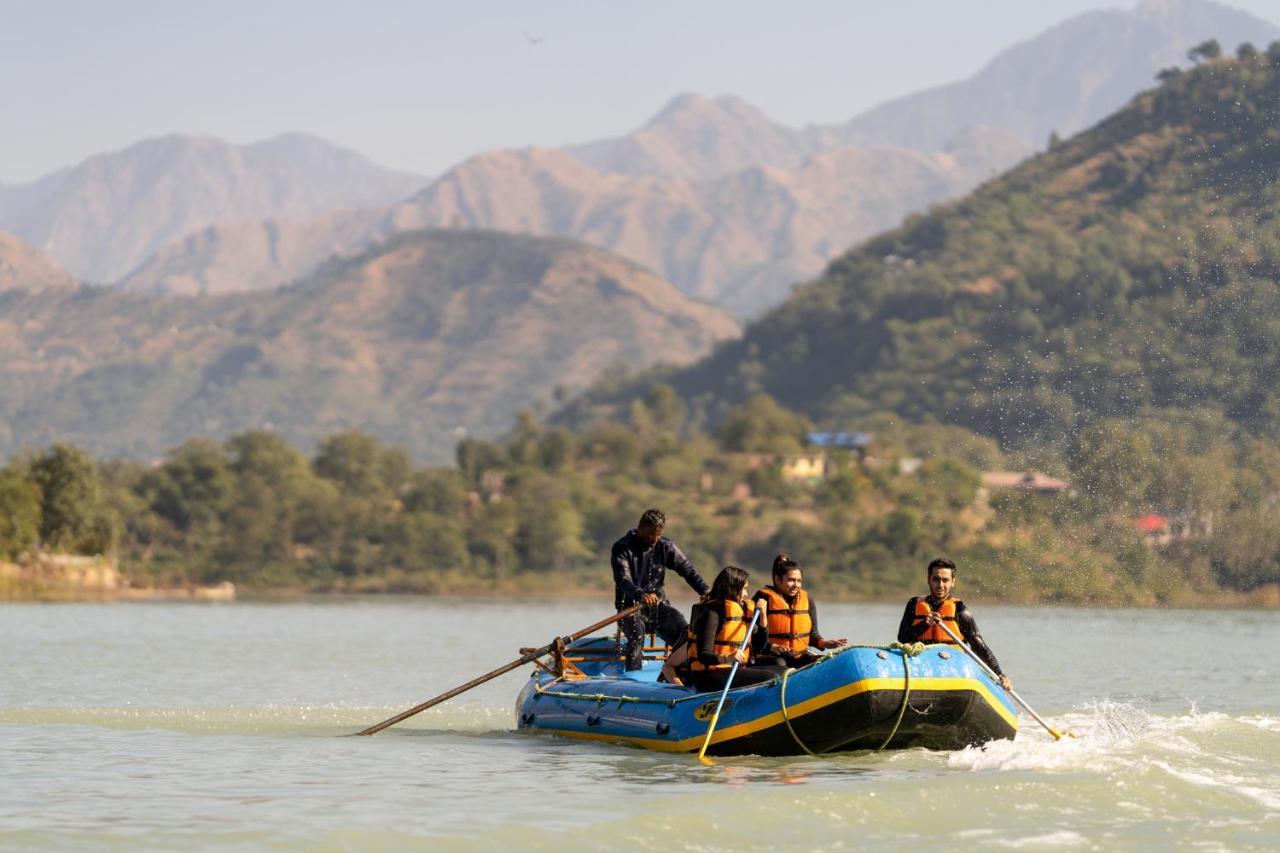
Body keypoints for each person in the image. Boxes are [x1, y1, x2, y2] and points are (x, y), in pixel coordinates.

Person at [611, 508, 710, 671]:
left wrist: (706, 591)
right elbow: (623, 580)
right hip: (629, 608)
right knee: (637, 631)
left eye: (658, 534)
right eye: (651, 534)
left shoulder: (666, 546)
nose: (654, 539)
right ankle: (633, 674)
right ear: (640, 527)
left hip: (658, 607)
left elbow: (688, 570)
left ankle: (684, 670)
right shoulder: (622, 547)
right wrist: (641, 595)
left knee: (685, 631)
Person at [897, 557, 1013, 691]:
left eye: (945, 580)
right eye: (936, 579)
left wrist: (1000, 674)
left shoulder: (960, 611)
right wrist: (924, 624)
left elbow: (979, 646)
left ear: (952, 582)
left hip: (951, 669)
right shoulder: (913, 605)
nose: (940, 585)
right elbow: (902, 637)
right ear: (929, 580)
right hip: (920, 667)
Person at [686, 565, 777, 693]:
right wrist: (727, 658)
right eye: (744, 589)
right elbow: (704, 655)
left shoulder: (742, 611)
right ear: (733, 588)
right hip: (709, 676)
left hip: (736, 670)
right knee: (772, 677)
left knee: (785, 672)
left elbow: (760, 645)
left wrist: (763, 618)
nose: (746, 594)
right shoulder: (712, 614)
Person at [753, 554, 847, 669]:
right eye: (791, 580)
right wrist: (773, 646)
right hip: (772, 657)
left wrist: (824, 643)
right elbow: (754, 637)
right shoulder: (762, 598)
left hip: (800, 657)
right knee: (780, 665)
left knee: (827, 663)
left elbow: (812, 634)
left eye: (799, 581)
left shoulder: (807, 600)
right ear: (777, 579)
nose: (796, 585)